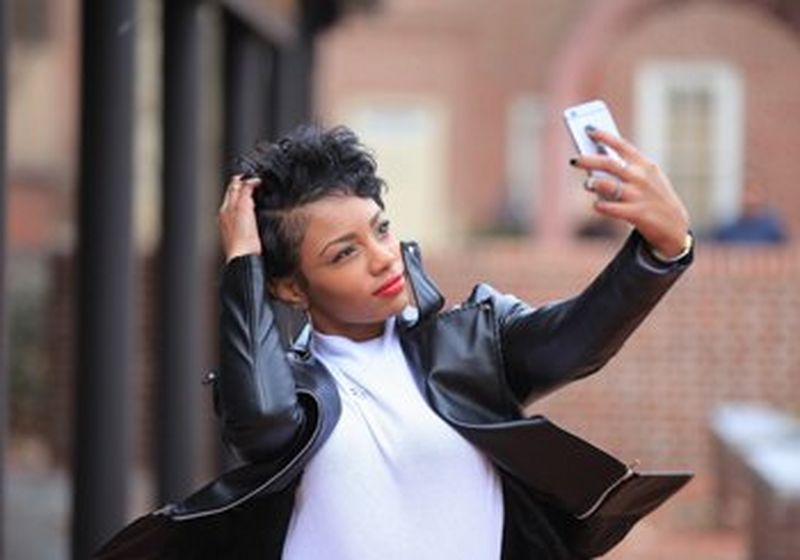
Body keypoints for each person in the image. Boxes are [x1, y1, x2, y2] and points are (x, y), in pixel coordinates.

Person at [96, 124, 694, 559]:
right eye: (344, 253)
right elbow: (262, 422)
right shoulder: (291, 388)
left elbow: (575, 342)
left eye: (380, 229)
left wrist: (662, 250)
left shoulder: (470, 341)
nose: (383, 257)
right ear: (291, 287)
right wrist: (244, 264)